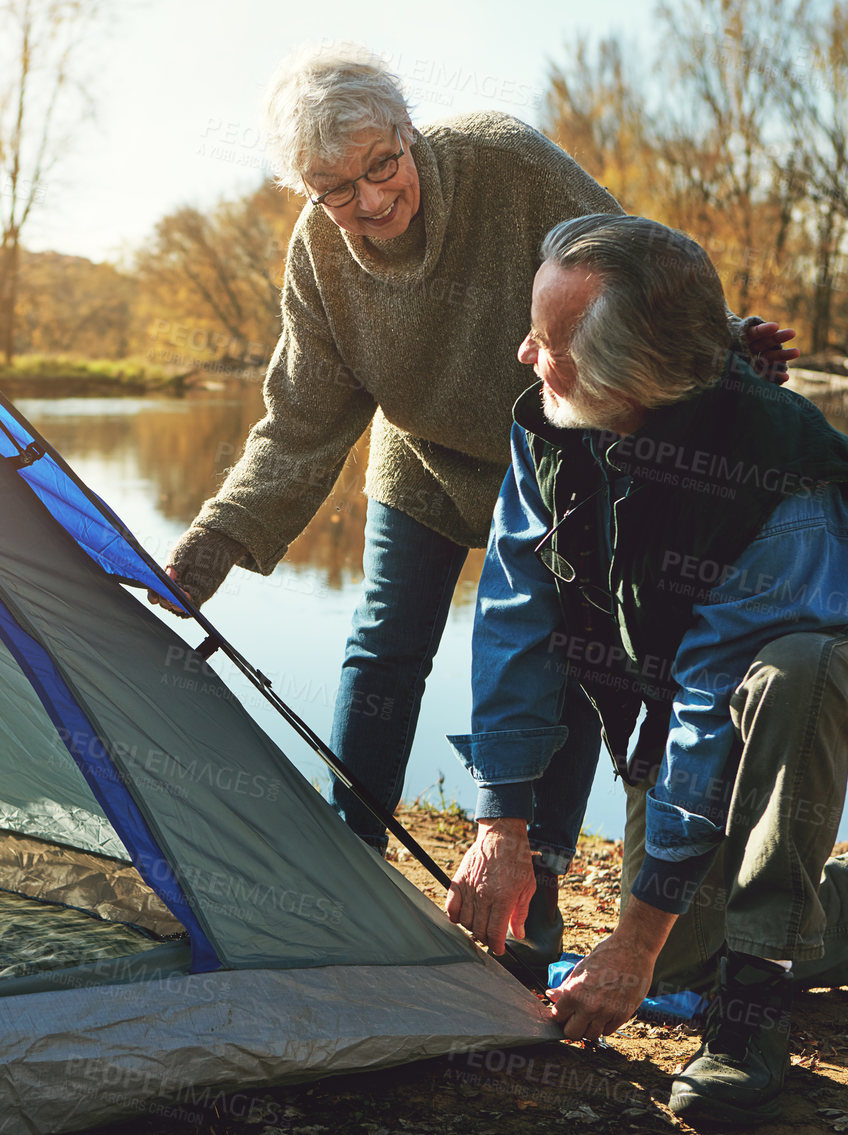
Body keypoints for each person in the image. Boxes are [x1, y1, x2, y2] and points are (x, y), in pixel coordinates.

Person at [149, 44, 797, 976]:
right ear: (308, 190)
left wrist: (725, 346)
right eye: (337, 188)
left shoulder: (506, 163)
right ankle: (348, 873)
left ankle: (538, 898)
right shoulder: (318, 257)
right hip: (421, 456)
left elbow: (631, 275)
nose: (371, 201)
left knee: (571, 654)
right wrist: (213, 541)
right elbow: (301, 422)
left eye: (384, 164)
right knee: (384, 644)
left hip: (558, 448)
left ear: (409, 132)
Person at [442, 211, 848, 1125]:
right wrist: (501, 821)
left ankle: (755, 1003)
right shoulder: (553, 424)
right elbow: (515, 616)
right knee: (678, 958)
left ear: (630, 374)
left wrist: (629, 938)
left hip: (834, 667)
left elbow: (714, 702)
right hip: (677, 688)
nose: (522, 354)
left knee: (791, 676)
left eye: (547, 340)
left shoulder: (785, 471)